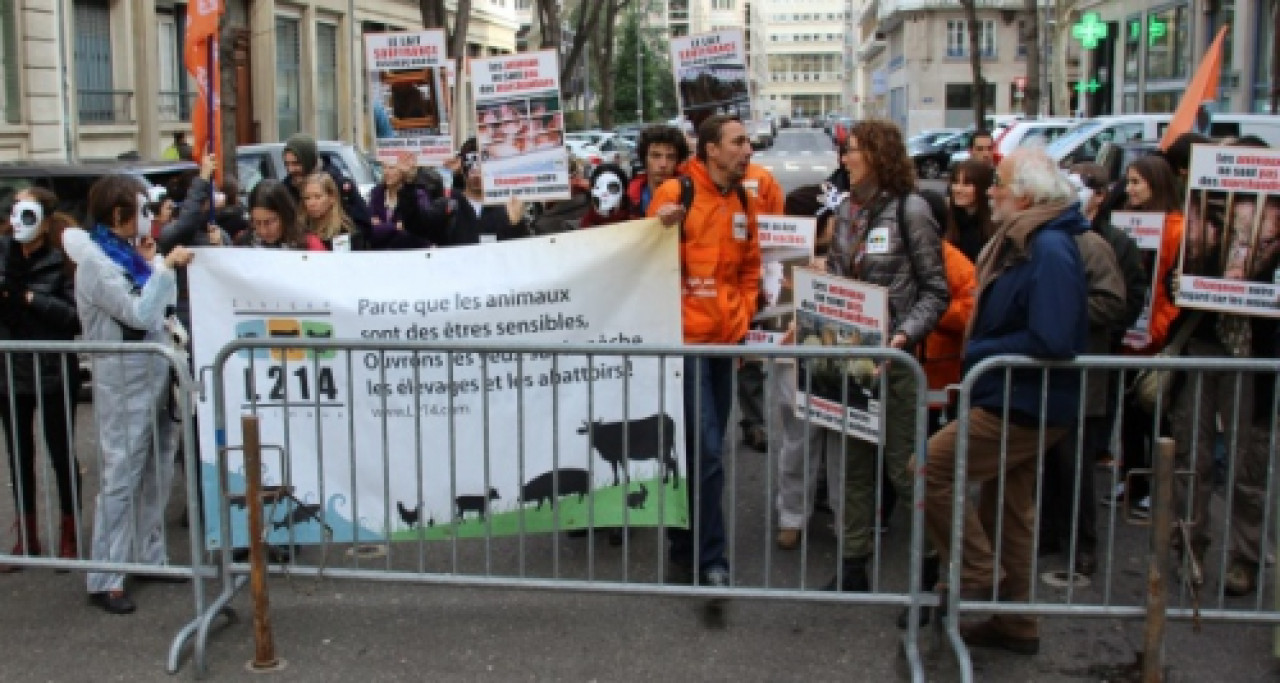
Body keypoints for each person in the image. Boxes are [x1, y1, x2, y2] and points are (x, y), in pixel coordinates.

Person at [922, 147, 1089, 655]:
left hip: (1024, 402)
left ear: (1027, 195)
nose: (991, 190)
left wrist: (983, 350)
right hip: (1019, 398)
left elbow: (1054, 338)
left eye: (1000, 183)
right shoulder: (1032, 239)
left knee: (931, 466)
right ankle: (1016, 624)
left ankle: (978, 573)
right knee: (1010, 511)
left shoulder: (1049, 249)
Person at [821, 120, 949, 593]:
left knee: (905, 472)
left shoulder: (912, 211)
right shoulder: (847, 211)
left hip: (894, 366)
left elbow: (936, 291)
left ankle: (933, 571)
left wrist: (902, 338)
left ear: (878, 155)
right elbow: (834, 281)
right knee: (854, 470)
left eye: (852, 151)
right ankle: (853, 570)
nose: (845, 159)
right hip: (852, 364)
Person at [63, 175, 195, 614]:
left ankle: (147, 555)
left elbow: (160, 309)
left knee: (155, 468)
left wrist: (155, 267)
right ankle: (106, 574)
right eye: (141, 210)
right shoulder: (97, 264)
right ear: (118, 215)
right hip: (122, 380)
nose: (150, 218)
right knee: (121, 476)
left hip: (154, 374)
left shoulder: (128, 256)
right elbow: (139, 313)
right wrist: (164, 268)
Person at [648, 114, 761, 588]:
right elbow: (643, 259)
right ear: (712, 149)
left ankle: (683, 543)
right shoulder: (676, 194)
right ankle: (712, 561)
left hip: (722, 347)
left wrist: (741, 317)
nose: (748, 150)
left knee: (699, 454)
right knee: (708, 451)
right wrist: (659, 229)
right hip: (685, 347)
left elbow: (750, 270)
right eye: (738, 142)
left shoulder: (741, 200)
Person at [0, 188, 82, 571]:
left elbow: (73, 317)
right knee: (19, 456)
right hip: (10, 373)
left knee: (60, 452)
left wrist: (30, 298)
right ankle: (27, 534)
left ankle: (70, 531)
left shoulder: (61, 261)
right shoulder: (4, 257)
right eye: (14, 210)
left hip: (51, 370)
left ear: (46, 219)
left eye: (27, 211)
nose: (19, 220)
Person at [772, 184, 842, 551]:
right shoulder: (783, 256)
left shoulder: (849, 251)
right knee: (799, 438)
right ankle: (792, 515)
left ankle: (847, 517)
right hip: (794, 355)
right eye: (831, 216)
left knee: (843, 436)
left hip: (838, 352)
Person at [1114, 155, 1184, 514]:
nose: (1129, 189)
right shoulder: (1127, 224)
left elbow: (1176, 289)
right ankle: (1132, 478)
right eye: (1128, 181)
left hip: (1156, 340)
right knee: (1129, 416)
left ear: (1157, 184)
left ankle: (1157, 485)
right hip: (1130, 339)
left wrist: (1157, 330)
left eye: (1137, 182)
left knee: (1158, 418)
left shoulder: (1177, 229)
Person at [736, 161, 786, 453]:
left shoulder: (762, 179)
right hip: (715, 288)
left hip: (756, 282)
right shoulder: (693, 178)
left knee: (751, 359)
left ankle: (754, 423)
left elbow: (780, 227)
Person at [402, 139, 531, 246]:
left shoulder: (506, 208)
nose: (476, 174)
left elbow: (521, 253)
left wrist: (516, 224)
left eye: (482, 166)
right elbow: (415, 225)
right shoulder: (448, 205)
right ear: (463, 168)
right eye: (471, 166)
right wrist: (408, 184)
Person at [282, 133, 372, 240]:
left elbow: (364, 226)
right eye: (287, 164)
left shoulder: (339, 185)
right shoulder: (286, 188)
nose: (290, 169)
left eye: (296, 163)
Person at [235, 180, 323, 250]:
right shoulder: (243, 244)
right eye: (257, 222)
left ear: (285, 215)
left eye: (269, 222)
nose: (263, 231)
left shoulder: (310, 245)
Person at [367, 154, 432, 250]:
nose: (386, 172)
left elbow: (416, 230)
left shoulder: (418, 195)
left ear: (403, 171)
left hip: (409, 253)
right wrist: (395, 227)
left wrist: (382, 227)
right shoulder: (376, 194)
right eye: (384, 167)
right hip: (381, 255)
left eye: (391, 168)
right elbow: (369, 230)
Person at [627, 125, 689, 218]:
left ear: (677, 161)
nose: (663, 164)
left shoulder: (689, 194)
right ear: (644, 158)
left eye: (671, 157)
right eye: (656, 156)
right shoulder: (629, 196)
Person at [945, 159, 996, 263]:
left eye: (967, 184)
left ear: (982, 187)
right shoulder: (945, 222)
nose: (958, 189)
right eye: (955, 182)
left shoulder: (995, 226)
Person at [301, 173, 365, 251]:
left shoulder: (344, 232)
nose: (311, 203)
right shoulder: (301, 228)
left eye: (318, 197)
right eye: (307, 198)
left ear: (332, 198)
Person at [579, 163, 633, 228]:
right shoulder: (588, 221)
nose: (604, 193)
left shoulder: (633, 218)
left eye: (612, 187)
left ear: (623, 190)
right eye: (599, 187)